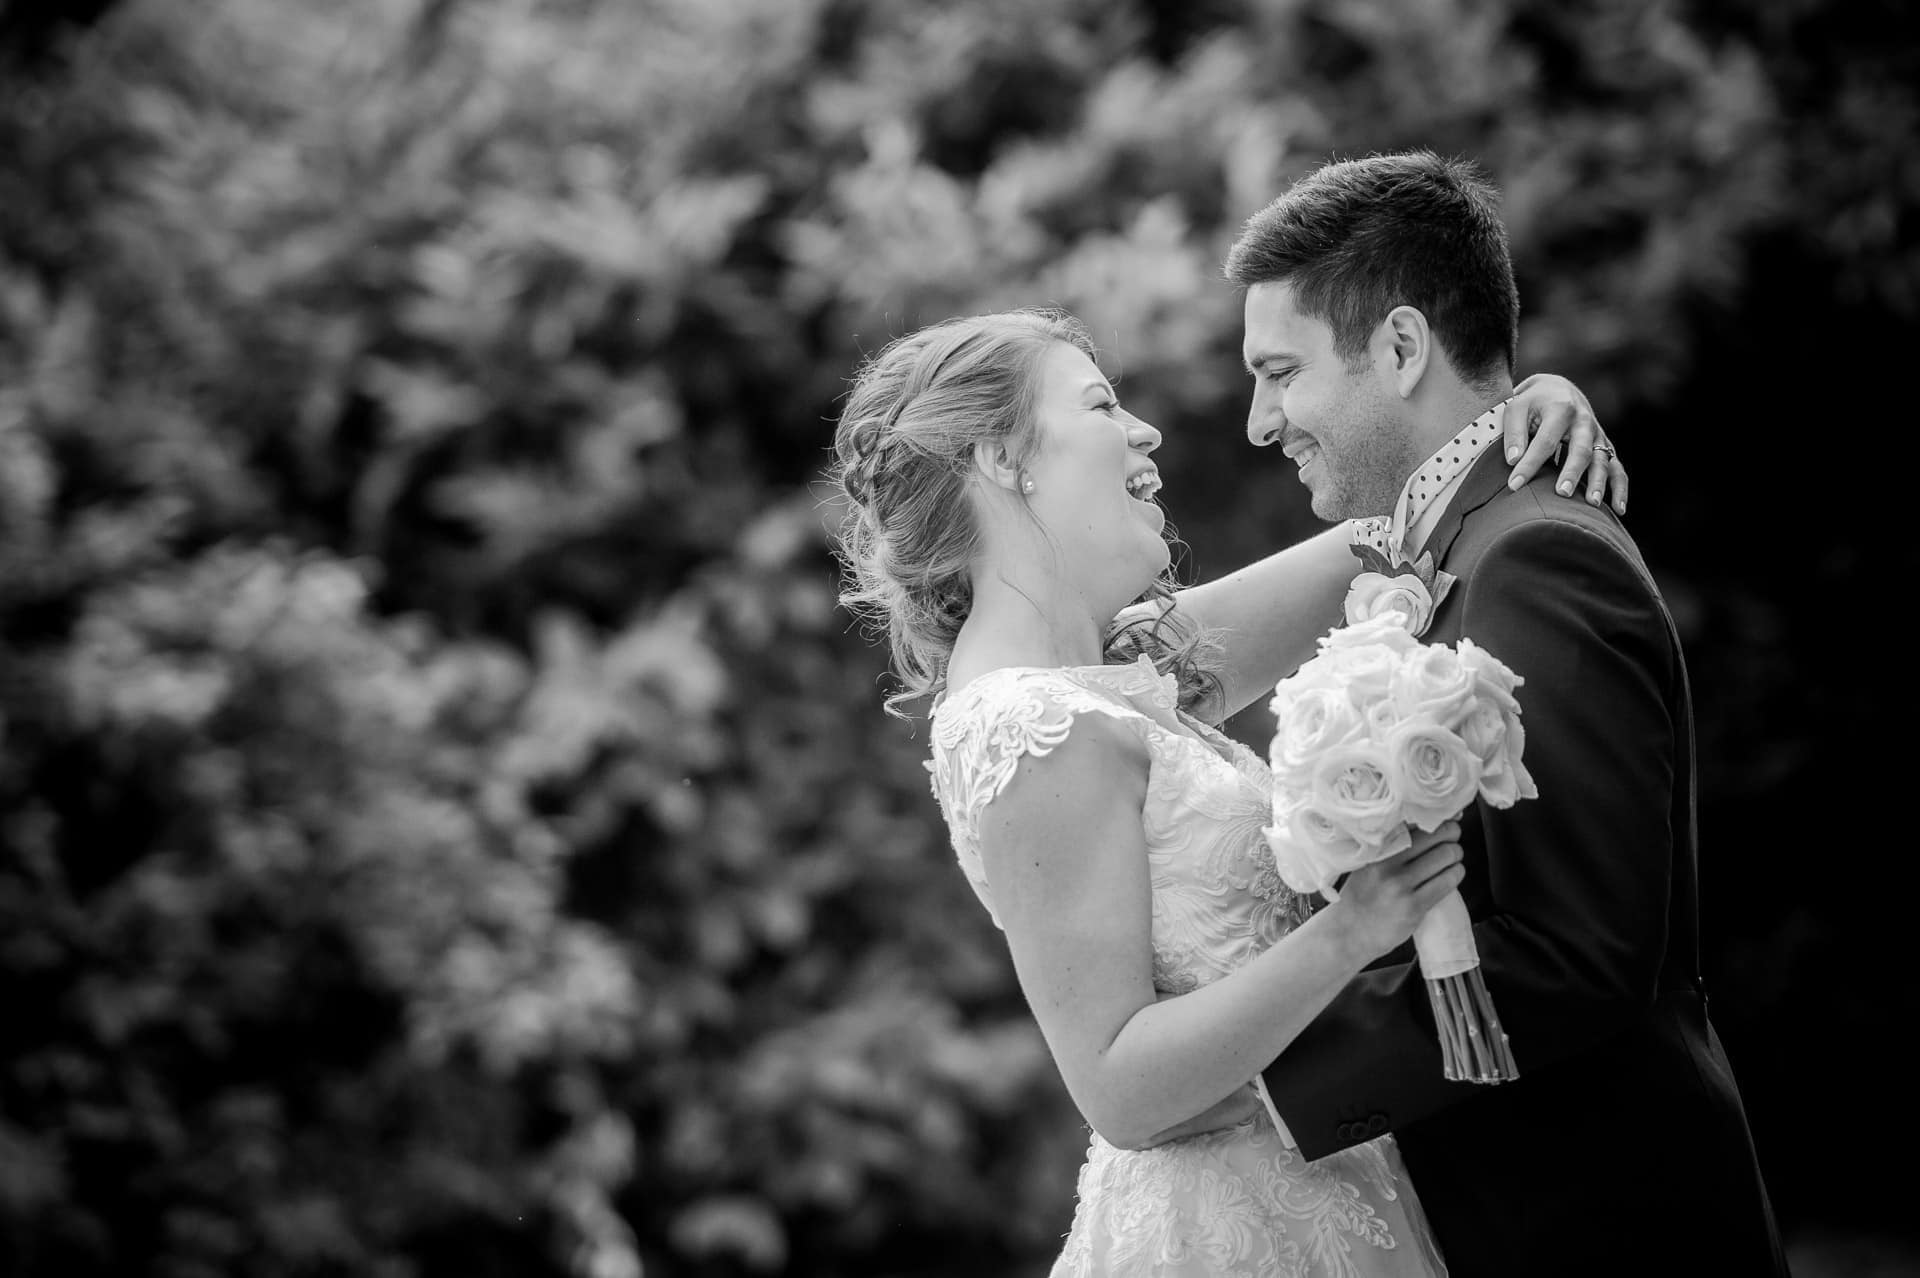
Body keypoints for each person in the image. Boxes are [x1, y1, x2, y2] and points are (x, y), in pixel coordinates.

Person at [831, 305, 1623, 1274]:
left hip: (1329, 1184)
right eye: (1101, 403)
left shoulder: (1118, 673)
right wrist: (1353, 930)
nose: (1145, 431)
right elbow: (1118, 1087)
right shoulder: (1030, 727)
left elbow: (1392, 538)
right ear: (1001, 456)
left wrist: (1520, 409)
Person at [1222, 150, 1788, 1276]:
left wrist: (1260, 1091)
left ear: (1399, 347)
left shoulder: (1530, 555)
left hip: (1609, 1229)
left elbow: (1578, 951)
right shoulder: (1458, 544)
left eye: (1279, 372)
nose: (1256, 420)